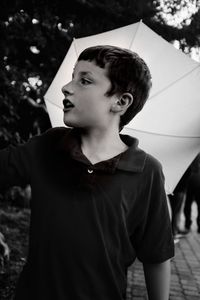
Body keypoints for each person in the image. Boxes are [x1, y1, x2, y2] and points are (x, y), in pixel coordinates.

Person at [0, 45, 174, 300]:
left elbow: (156, 257)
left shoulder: (147, 171)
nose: (66, 87)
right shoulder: (47, 147)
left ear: (121, 101)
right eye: (72, 77)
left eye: (84, 80)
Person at [184, 153, 200, 233]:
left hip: (190, 180)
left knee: (188, 203)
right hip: (198, 180)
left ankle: (187, 224)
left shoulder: (190, 153)